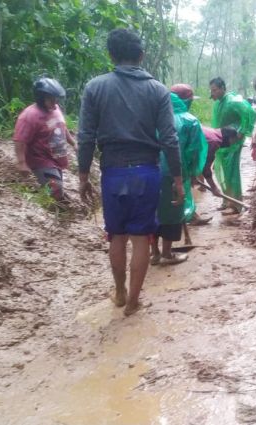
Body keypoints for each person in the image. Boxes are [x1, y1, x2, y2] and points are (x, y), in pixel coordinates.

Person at [77, 28, 183, 316]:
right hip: (147, 173)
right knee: (141, 240)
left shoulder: (95, 88)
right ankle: (134, 302)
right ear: (141, 55)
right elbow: (170, 139)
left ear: (111, 55)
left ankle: (120, 292)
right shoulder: (159, 90)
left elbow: (86, 135)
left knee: (116, 236)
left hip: (112, 173)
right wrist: (177, 179)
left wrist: (83, 176)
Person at [151, 84, 207, 265]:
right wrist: (192, 173)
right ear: (187, 100)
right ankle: (167, 254)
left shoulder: (153, 116)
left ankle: (154, 253)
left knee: (152, 211)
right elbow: (194, 151)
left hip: (149, 170)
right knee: (173, 213)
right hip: (175, 173)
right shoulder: (190, 121)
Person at [13, 77, 77, 202]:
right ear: (41, 98)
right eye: (51, 99)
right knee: (55, 191)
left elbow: (62, 127)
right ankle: (53, 214)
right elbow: (20, 140)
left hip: (56, 158)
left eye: (56, 99)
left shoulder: (55, 109)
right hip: (41, 160)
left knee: (55, 190)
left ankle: (50, 204)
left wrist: (73, 143)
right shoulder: (29, 116)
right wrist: (21, 163)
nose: (55, 102)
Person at [209, 77, 256, 215]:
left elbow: (250, 113)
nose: (213, 93)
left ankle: (235, 204)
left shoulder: (233, 100)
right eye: (212, 90)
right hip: (221, 140)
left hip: (232, 141)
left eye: (215, 90)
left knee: (232, 171)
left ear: (223, 88)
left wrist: (242, 132)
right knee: (221, 170)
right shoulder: (219, 103)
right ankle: (226, 199)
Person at [198, 126, 240, 197]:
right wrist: (214, 187)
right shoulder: (214, 141)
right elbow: (206, 169)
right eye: (233, 140)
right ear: (229, 137)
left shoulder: (213, 132)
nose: (232, 144)